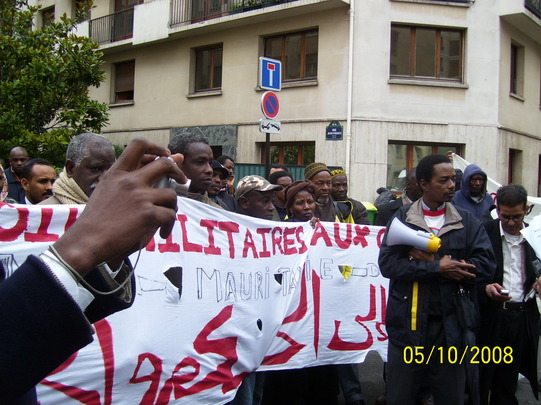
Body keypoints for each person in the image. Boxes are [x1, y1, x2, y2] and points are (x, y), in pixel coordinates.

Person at [0, 138, 187, 404]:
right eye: (96, 168)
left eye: (108, 169)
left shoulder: (117, 215)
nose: (102, 179)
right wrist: (78, 251)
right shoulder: (41, 215)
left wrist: (114, 253)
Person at [378, 154, 496, 405]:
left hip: (451, 330)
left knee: (450, 396)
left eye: (453, 179)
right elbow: (387, 264)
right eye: (444, 180)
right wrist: (436, 269)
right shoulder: (402, 218)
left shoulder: (467, 222)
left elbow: (486, 267)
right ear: (424, 184)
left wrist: (434, 262)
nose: (452, 185)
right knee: (401, 396)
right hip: (407, 330)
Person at [479, 184, 540, 404]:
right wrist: (485, 287)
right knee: (479, 378)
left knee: (507, 381)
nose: (511, 223)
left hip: (522, 317)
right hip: (490, 317)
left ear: (527, 209)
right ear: (497, 209)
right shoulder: (483, 232)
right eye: (506, 217)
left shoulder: (536, 237)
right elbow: (469, 273)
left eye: (517, 217)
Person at [228, 175, 282, 405]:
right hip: (238, 333)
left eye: (272, 201)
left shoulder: (277, 233)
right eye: (264, 201)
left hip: (265, 331)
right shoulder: (227, 234)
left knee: (257, 391)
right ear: (244, 203)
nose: (271, 207)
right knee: (243, 393)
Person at [41, 133, 116, 204]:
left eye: (111, 170)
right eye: (96, 169)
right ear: (70, 169)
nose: (105, 178)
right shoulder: (44, 215)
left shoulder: (120, 209)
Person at [168, 133, 221, 208]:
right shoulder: (156, 206)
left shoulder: (219, 214)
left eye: (210, 163)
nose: (210, 170)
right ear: (176, 164)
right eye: (200, 162)